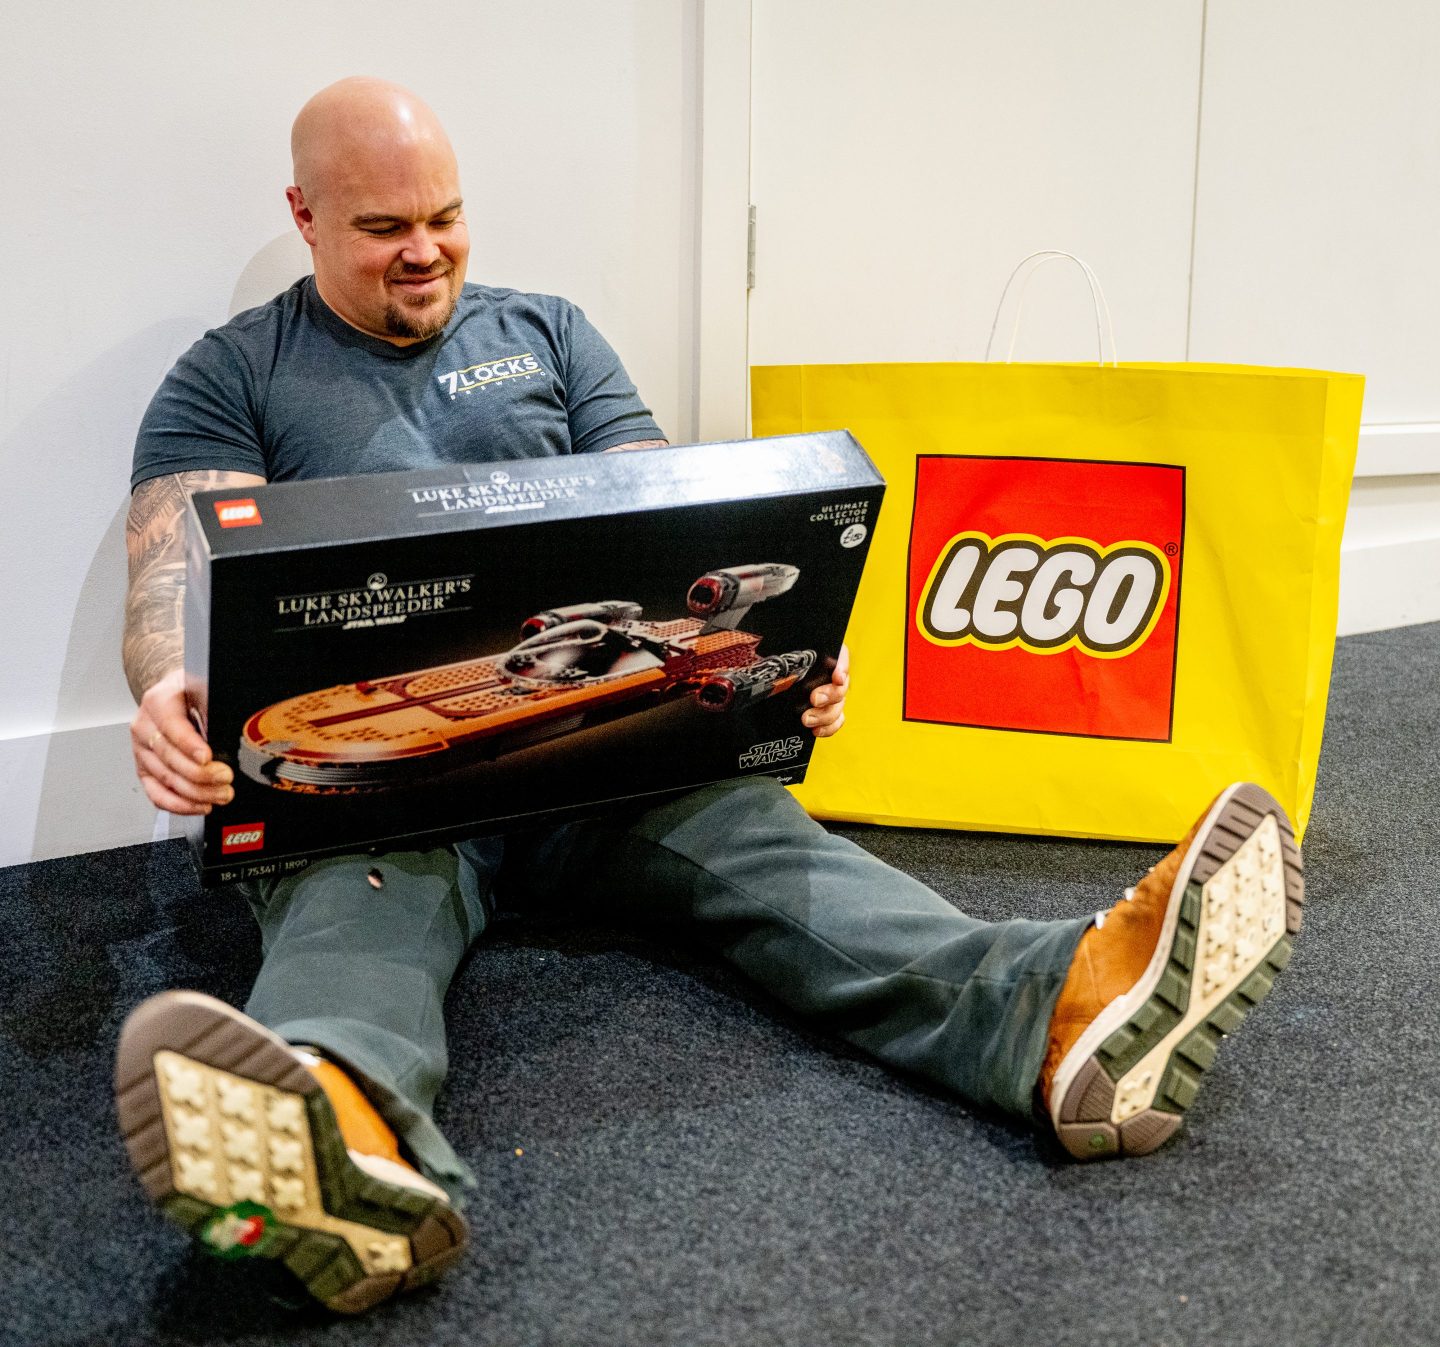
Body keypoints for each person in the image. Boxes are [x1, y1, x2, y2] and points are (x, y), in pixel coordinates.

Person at [115, 78, 1304, 1315]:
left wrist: (778, 660)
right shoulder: (234, 373)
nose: (426, 251)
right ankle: (340, 1144)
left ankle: (1060, 1015)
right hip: (381, 777)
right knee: (353, 915)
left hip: (599, 740)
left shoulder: (552, 335)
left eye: (448, 217)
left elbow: (666, 519)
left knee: (774, 856)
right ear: (304, 217)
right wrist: (171, 695)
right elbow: (168, 585)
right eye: (381, 229)